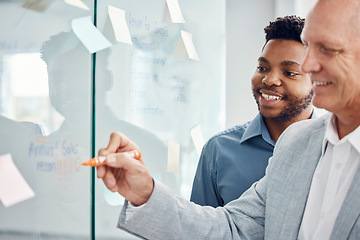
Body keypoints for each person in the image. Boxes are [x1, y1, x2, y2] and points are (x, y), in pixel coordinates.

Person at [97, 0, 360, 238]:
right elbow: (233, 227)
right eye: (311, 46)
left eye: (327, 48)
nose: (309, 65)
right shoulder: (296, 144)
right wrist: (147, 194)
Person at [191, 15, 316, 207]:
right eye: (262, 67)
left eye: (289, 72)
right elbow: (199, 230)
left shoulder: (335, 150)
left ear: (317, 81)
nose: (269, 79)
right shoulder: (218, 151)